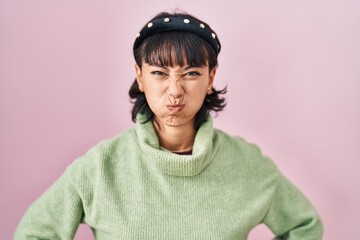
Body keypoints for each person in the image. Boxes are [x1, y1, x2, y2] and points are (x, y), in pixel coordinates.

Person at [14, 11, 323, 240]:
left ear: (210, 78)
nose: (175, 91)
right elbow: (34, 233)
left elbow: (305, 226)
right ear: (140, 76)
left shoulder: (248, 165)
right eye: (160, 72)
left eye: (190, 73)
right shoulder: (100, 167)